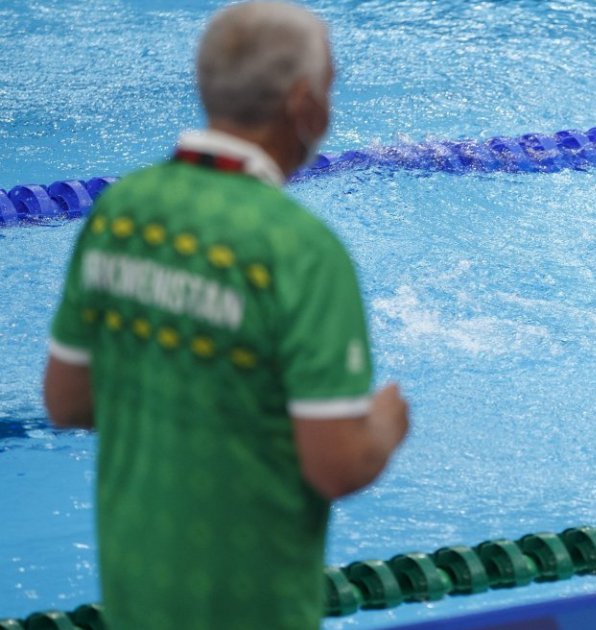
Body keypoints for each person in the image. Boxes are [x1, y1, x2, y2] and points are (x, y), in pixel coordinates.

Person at [41, 3, 409, 628]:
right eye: (330, 86)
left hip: (134, 596)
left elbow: (67, 401)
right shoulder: (297, 249)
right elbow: (336, 463)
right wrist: (384, 424)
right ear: (303, 103)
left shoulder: (120, 212)